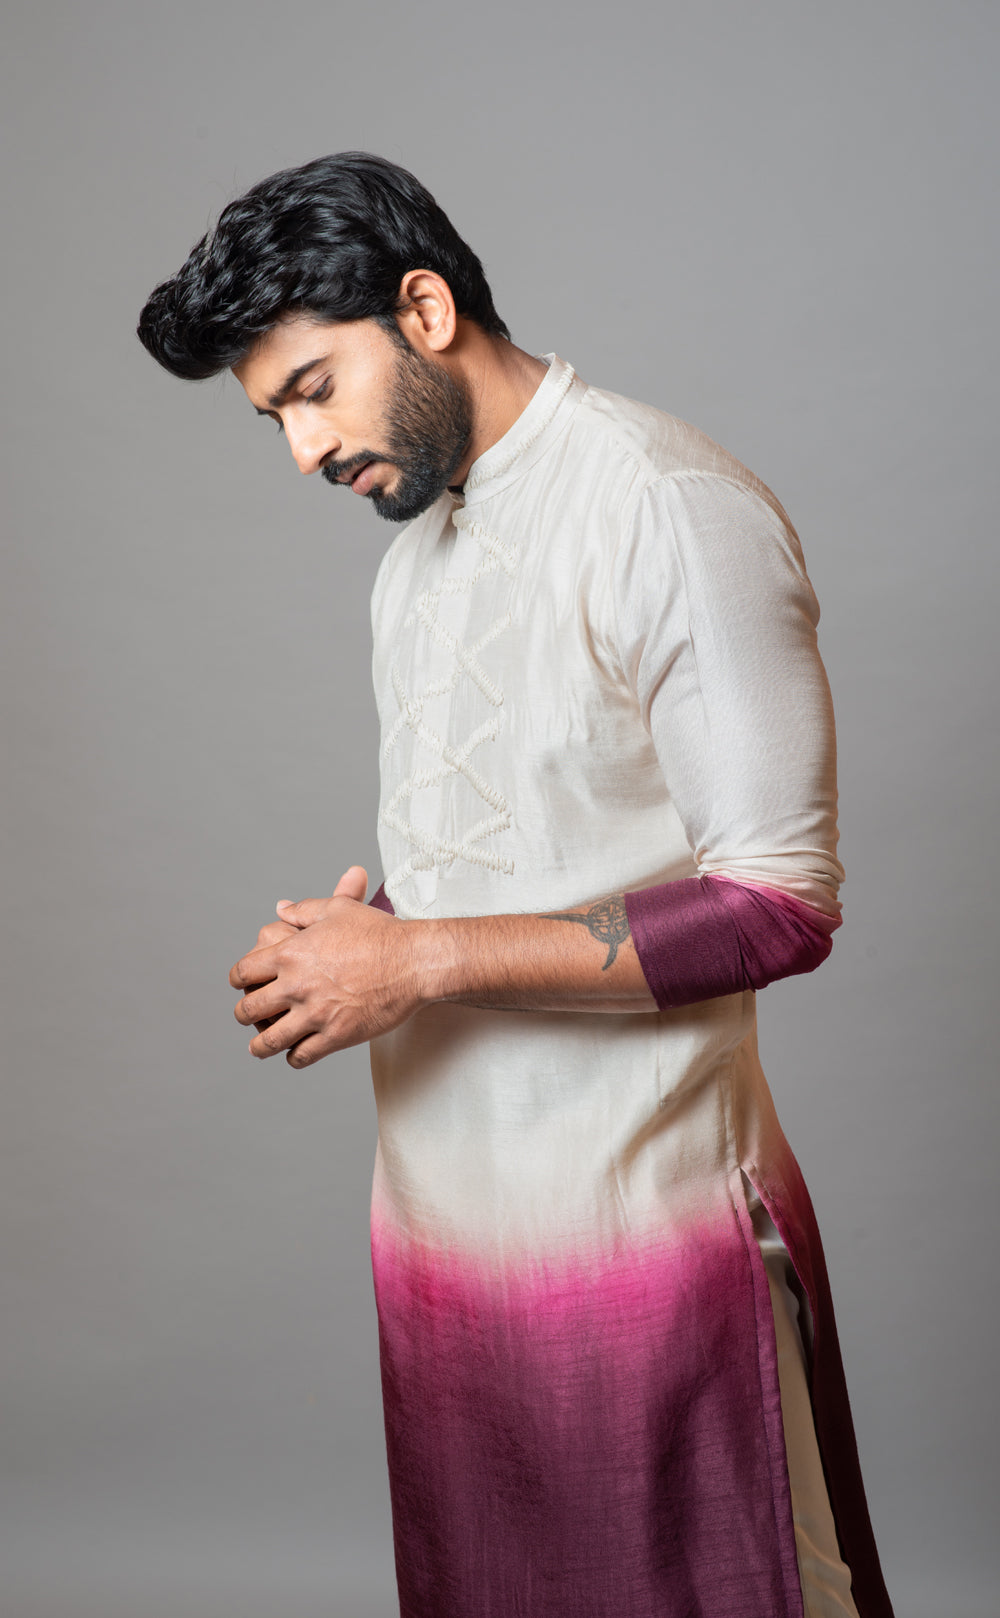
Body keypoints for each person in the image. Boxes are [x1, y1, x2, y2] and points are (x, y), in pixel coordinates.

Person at [138, 152, 893, 1618]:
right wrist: (368, 939)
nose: (302, 449)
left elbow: (778, 905)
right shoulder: (410, 559)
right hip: (440, 1250)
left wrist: (417, 963)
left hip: (644, 1240)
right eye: (273, 417)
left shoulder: (668, 505)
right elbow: (518, 863)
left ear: (424, 311)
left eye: (312, 390)